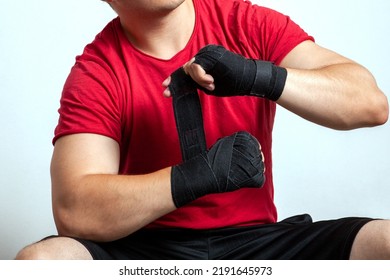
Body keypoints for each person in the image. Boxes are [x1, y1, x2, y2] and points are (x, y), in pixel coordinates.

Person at [16, 0, 389, 260]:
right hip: (146, 252)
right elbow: (76, 210)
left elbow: (370, 104)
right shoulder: (97, 71)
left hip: (258, 245)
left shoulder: (243, 22)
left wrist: (257, 76)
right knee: (41, 261)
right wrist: (197, 176)